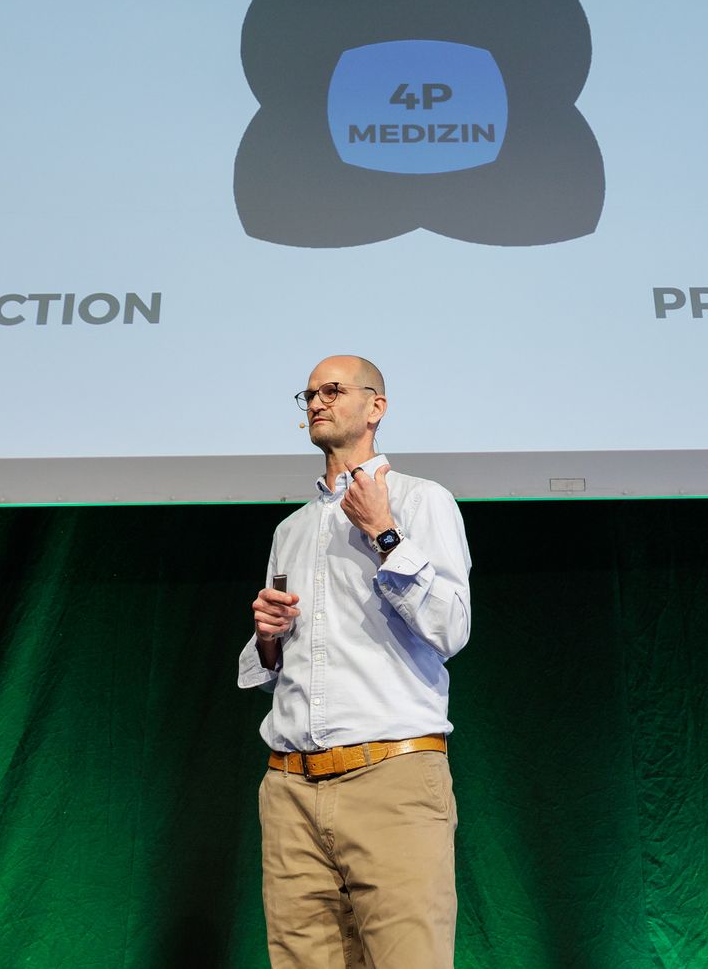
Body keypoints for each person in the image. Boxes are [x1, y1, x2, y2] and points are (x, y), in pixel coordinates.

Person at [238, 355, 473, 969]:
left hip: (390, 777)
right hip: (290, 788)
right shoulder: (291, 530)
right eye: (309, 394)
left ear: (376, 407)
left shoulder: (422, 501)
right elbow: (275, 669)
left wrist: (385, 534)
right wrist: (268, 636)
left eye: (333, 390)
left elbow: (450, 629)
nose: (317, 402)